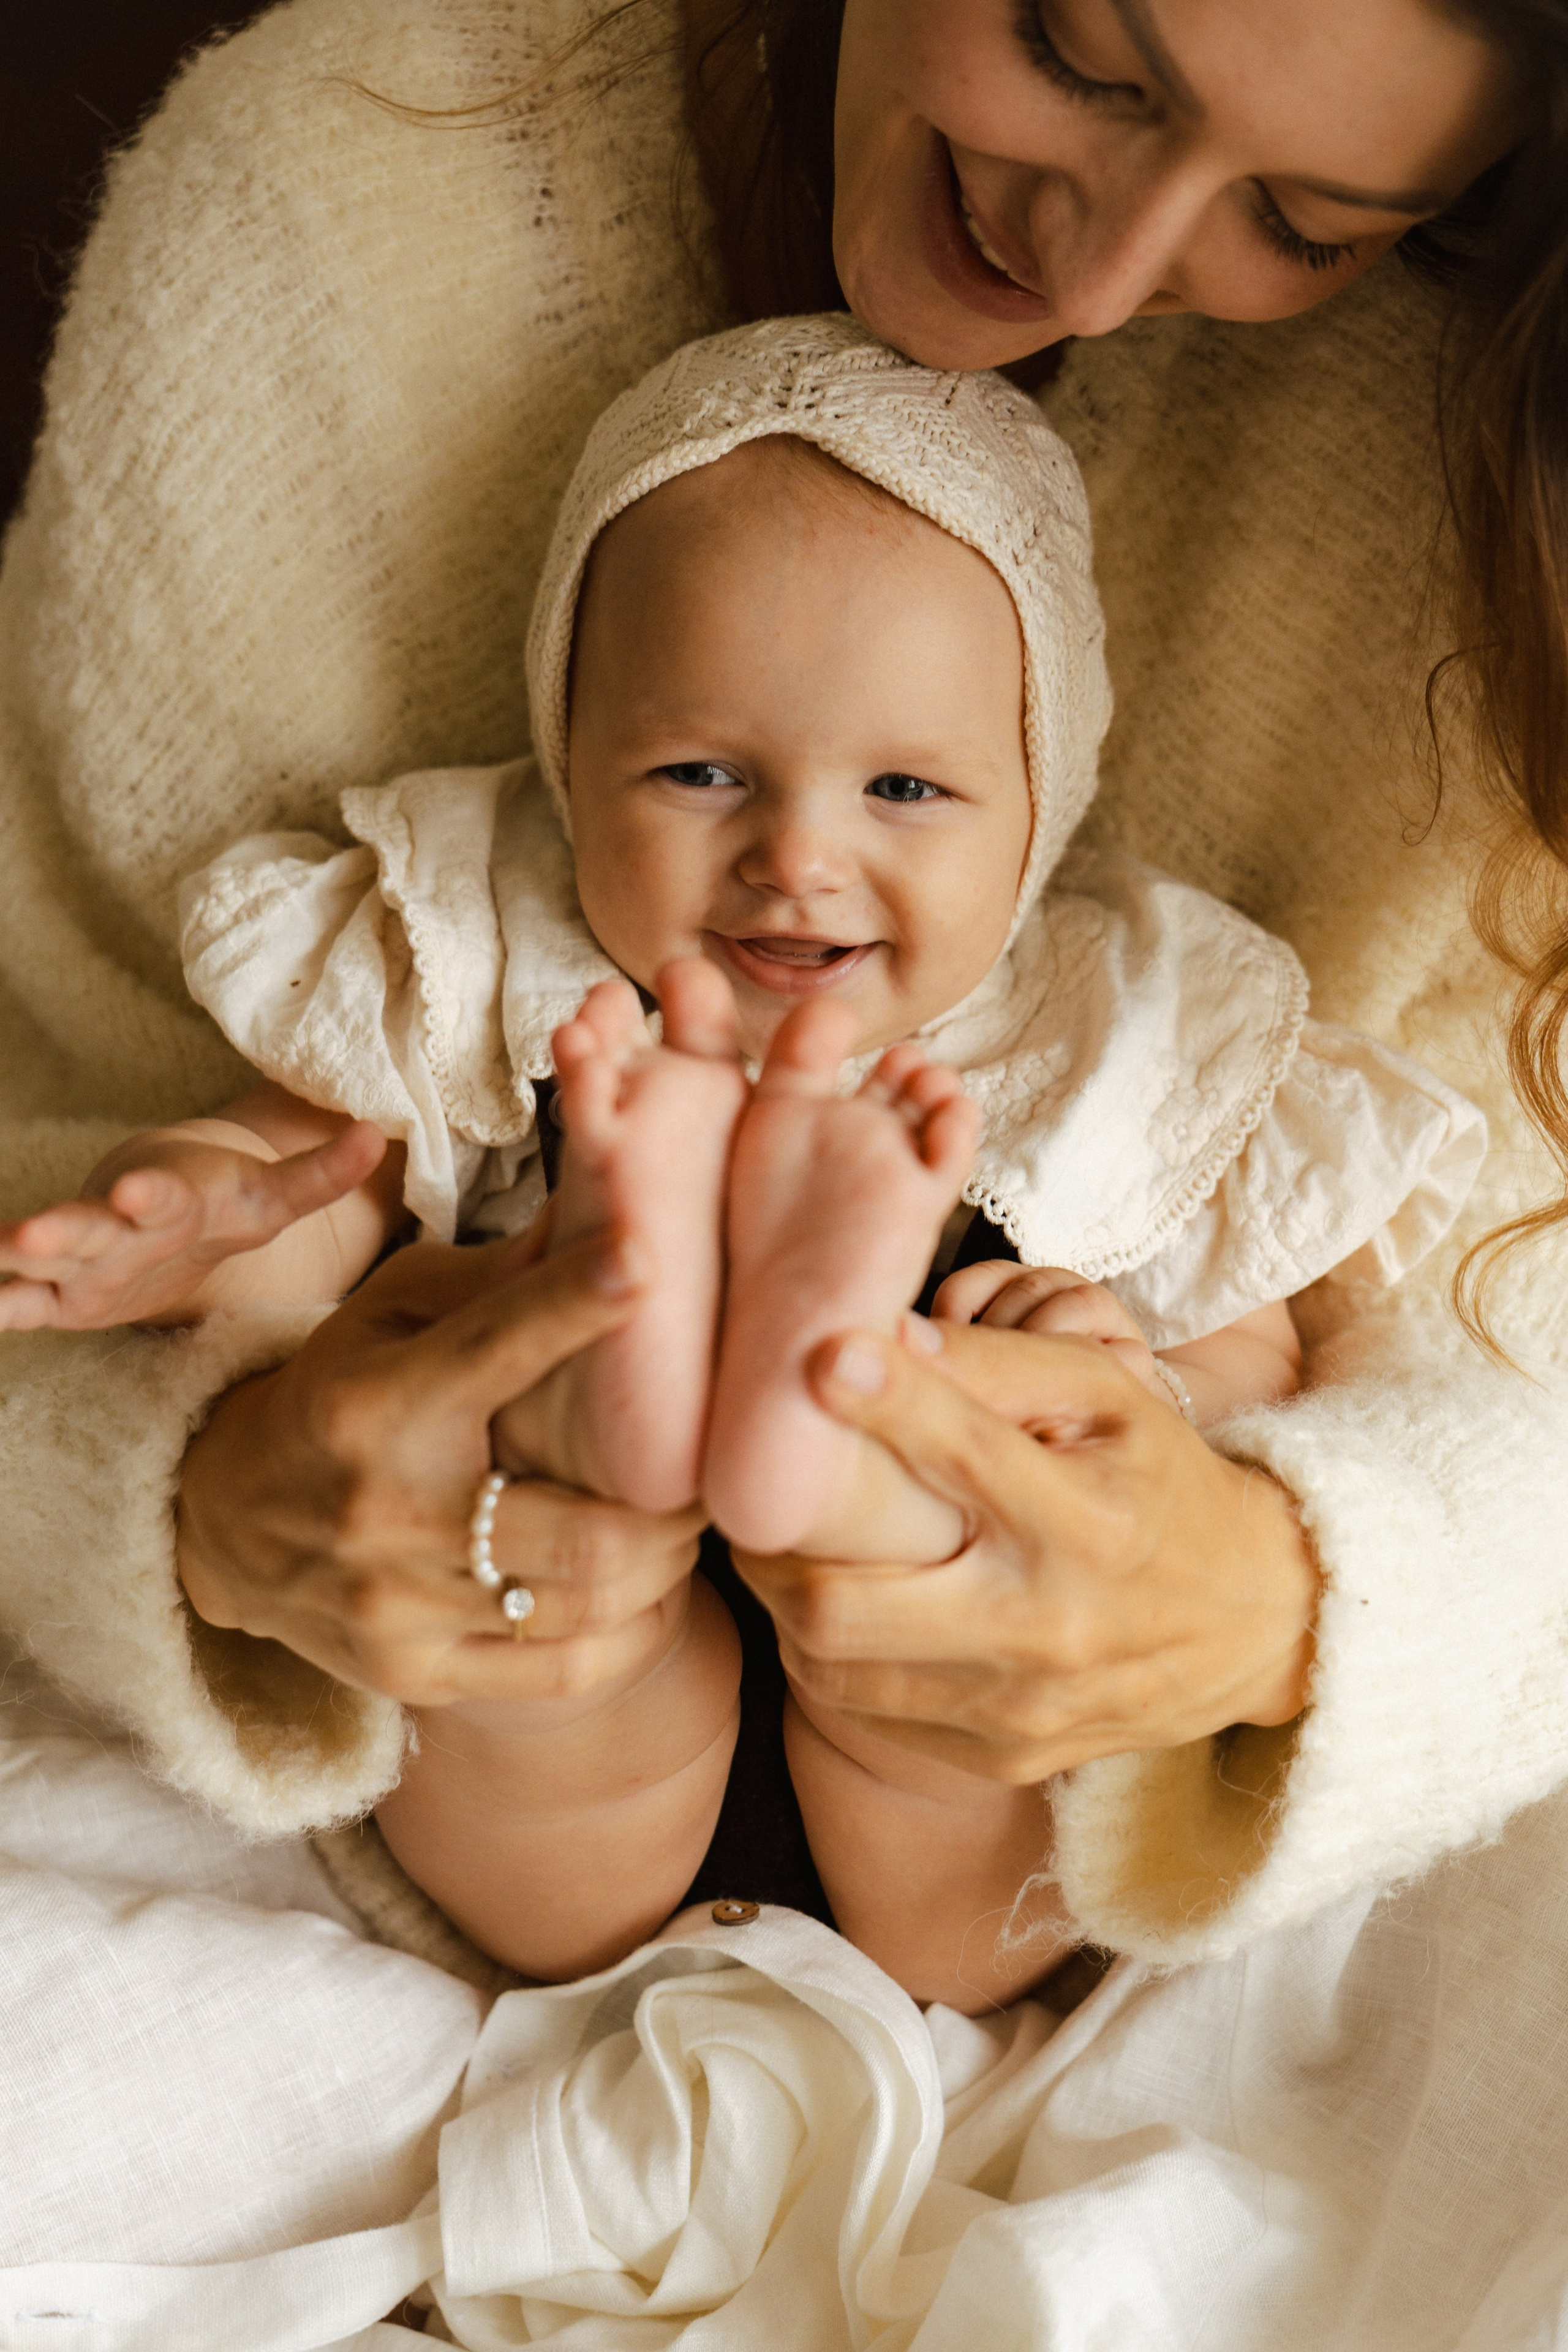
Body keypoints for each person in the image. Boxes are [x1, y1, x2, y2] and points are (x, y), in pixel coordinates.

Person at [1, 0, 1566, 2038]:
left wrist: (1193, 1481)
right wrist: (204, 1282)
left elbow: (1407, 1340)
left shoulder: (1127, 1025)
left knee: (931, 1591)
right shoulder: (473, 932)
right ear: (568, 740)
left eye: (1308, 221)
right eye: (1083, 54)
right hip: (532, 1655)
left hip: (960, 1742)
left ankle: (802, 1413)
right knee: (534, 1552)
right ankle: (620, 1349)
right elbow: (260, 1163)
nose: (1097, 273)